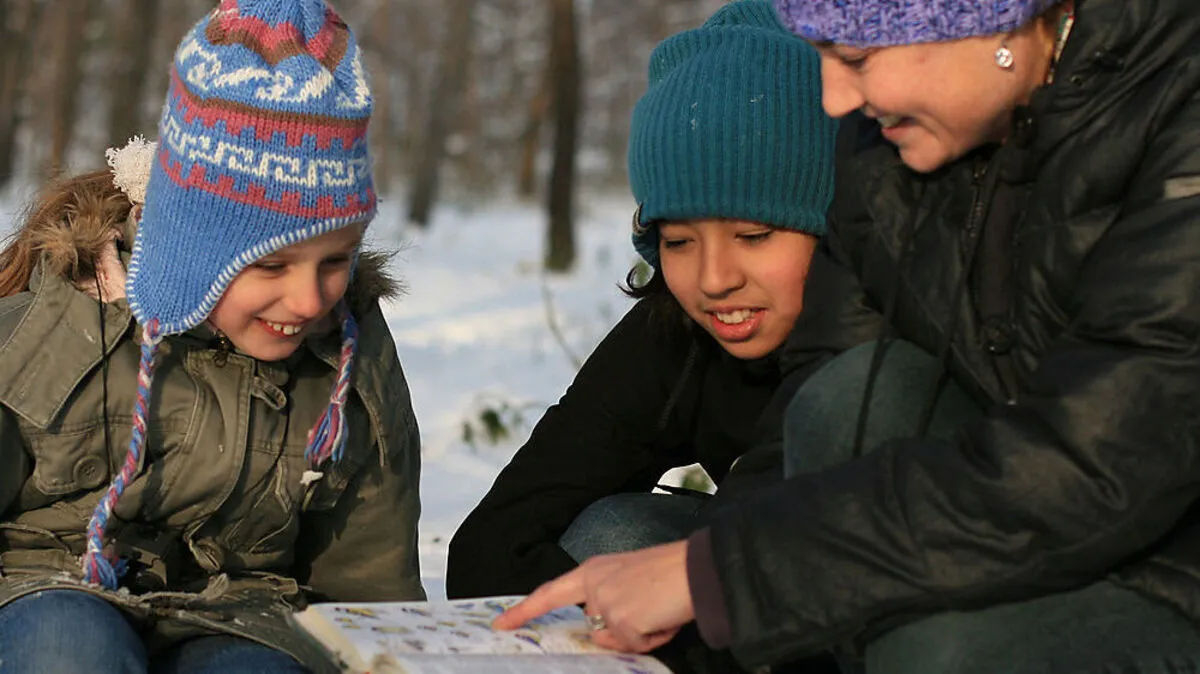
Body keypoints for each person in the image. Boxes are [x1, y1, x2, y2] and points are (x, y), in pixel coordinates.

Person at [496, 0, 1200, 672]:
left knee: (940, 656)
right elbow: (808, 430)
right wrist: (709, 612)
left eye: (856, 57)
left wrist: (727, 579)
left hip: (1164, 576)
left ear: (986, 21)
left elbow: (1103, 455)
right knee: (850, 399)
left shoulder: (1177, 113)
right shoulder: (881, 154)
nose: (833, 98)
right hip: (994, 541)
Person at [0, 1, 423, 671]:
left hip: (246, 616)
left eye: (335, 260)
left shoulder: (349, 357)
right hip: (45, 591)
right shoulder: (59, 324)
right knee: (68, 650)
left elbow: (368, 581)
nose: (310, 298)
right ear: (191, 245)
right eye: (272, 264)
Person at [446, 0, 837, 603]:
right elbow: (493, 543)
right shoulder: (677, 329)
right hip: (741, 593)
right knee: (614, 535)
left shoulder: (888, 337)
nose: (713, 279)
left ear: (830, 225)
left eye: (754, 235)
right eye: (678, 241)